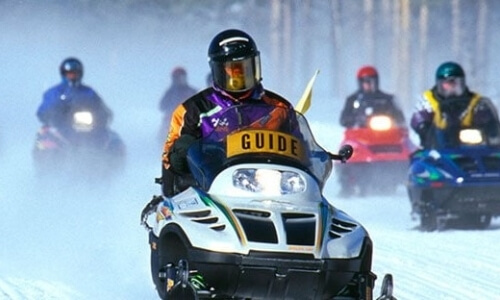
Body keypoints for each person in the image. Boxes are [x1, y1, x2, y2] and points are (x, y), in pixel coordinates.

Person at [142, 28, 296, 295]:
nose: (239, 76)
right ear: (217, 71)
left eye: (245, 68)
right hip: (213, 187)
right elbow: (170, 156)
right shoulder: (194, 109)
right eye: (232, 70)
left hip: (272, 189)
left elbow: (300, 147)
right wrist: (183, 153)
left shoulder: (278, 108)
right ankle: (195, 274)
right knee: (181, 216)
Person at [410, 61, 500, 148]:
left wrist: (490, 128)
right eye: (447, 85)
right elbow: (419, 119)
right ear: (440, 84)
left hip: (471, 148)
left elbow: (489, 122)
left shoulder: (476, 102)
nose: (452, 89)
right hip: (436, 148)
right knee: (421, 160)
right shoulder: (428, 100)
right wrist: (424, 129)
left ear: (462, 83)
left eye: (455, 84)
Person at [36, 57, 112, 136]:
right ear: (64, 74)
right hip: (61, 130)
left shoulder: (89, 92)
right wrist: (51, 116)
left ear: (80, 74)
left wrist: (102, 116)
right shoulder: (54, 92)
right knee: (45, 137)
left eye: (75, 73)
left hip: (87, 130)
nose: (72, 76)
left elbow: (101, 107)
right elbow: (43, 110)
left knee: (111, 138)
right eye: (69, 74)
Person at [339, 65, 405, 128]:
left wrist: (391, 119)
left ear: (376, 81)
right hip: (359, 135)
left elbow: (400, 119)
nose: (368, 84)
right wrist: (356, 119)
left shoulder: (387, 99)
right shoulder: (352, 100)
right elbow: (343, 120)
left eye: (371, 81)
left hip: (386, 134)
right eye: (365, 81)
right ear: (360, 83)